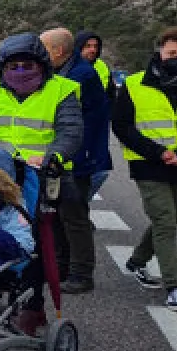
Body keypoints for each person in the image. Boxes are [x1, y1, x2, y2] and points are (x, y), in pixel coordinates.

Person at [0, 33, 82, 335]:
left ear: (41, 64)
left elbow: (70, 132)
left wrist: (52, 157)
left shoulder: (61, 91)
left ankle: (32, 305)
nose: (20, 71)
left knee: (36, 243)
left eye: (27, 64)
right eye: (13, 65)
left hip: (41, 178)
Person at [111, 27, 177, 311]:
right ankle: (174, 286)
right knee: (165, 221)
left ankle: (137, 261)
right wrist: (158, 152)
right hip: (149, 165)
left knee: (172, 218)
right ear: (160, 51)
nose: (175, 59)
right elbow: (122, 126)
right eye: (172, 53)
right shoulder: (135, 84)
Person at [41, 28, 108, 294]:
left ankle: (81, 273)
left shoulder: (80, 75)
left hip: (78, 157)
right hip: (67, 155)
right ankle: (61, 266)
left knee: (74, 215)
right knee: (57, 213)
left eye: (44, 49)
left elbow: (77, 124)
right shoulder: (67, 71)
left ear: (58, 51)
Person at [75, 30, 115, 199]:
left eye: (95, 46)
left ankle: (81, 206)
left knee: (100, 172)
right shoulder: (71, 68)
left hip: (97, 127)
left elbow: (110, 94)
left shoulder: (102, 67)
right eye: (87, 46)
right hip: (76, 127)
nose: (92, 50)